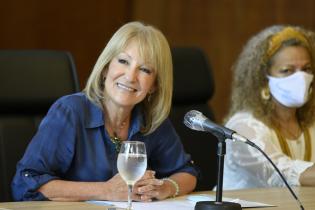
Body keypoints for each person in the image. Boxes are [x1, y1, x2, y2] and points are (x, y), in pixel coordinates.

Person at [11, 21, 197, 201]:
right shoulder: (70, 112)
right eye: (123, 61)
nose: (130, 76)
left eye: (145, 70)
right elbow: (26, 182)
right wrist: (106, 190)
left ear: (154, 85)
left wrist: (166, 187)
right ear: (106, 68)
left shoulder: (151, 119)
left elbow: (187, 172)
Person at [223, 25, 315, 190]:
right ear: (263, 79)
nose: (301, 78)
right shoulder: (242, 128)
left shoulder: (310, 121)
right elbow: (282, 173)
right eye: (287, 70)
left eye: (306, 69)